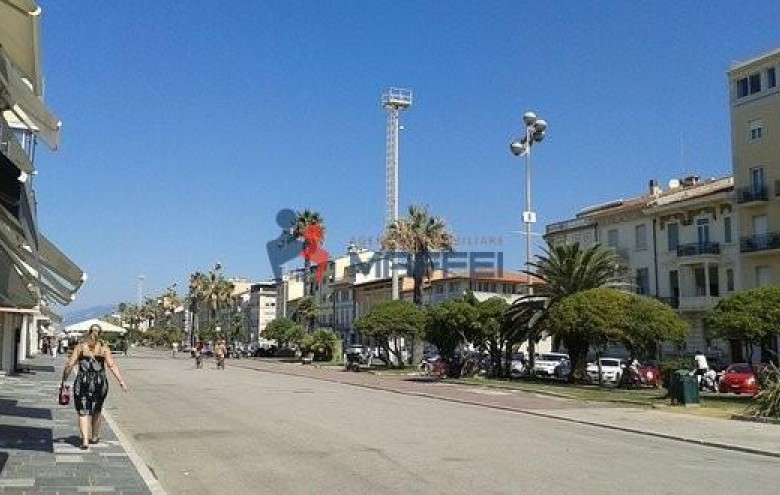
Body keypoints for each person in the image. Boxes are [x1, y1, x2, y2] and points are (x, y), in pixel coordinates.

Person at [61, 324, 127, 450]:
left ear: (88, 332)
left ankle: (85, 440)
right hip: (100, 383)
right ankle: (95, 436)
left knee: (82, 411)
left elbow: (70, 365)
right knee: (97, 409)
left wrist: (63, 380)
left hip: (82, 382)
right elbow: (111, 365)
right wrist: (121, 381)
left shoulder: (80, 347)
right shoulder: (104, 348)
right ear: (100, 334)